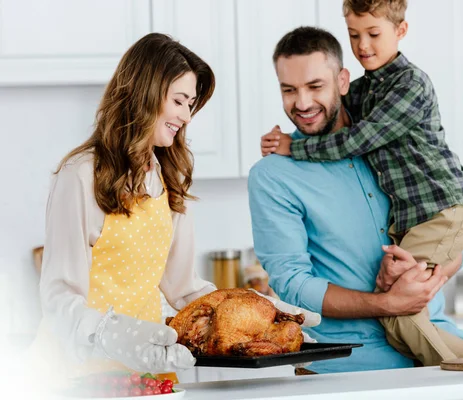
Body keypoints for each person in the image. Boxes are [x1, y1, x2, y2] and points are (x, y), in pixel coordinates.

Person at [27, 33, 319, 393]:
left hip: (151, 373)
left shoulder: (167, 178)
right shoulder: (82, 175)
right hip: (77, 376)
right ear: (144, 94)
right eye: (179, 101)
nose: (185, 115)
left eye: (191, 104)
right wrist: (111, 334)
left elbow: (185, 291)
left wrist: (264, 317)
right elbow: (59, 298)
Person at [260, 0, 463, 367]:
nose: (302, 102)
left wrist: (416, 273)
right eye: (288, 90)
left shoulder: (386, 146)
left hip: (438, 341)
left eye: (316, 85)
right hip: (348, 368)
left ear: (343, 81)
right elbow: (292, 285)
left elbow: (457, 243)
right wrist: (389, 302)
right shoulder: (274, 175)